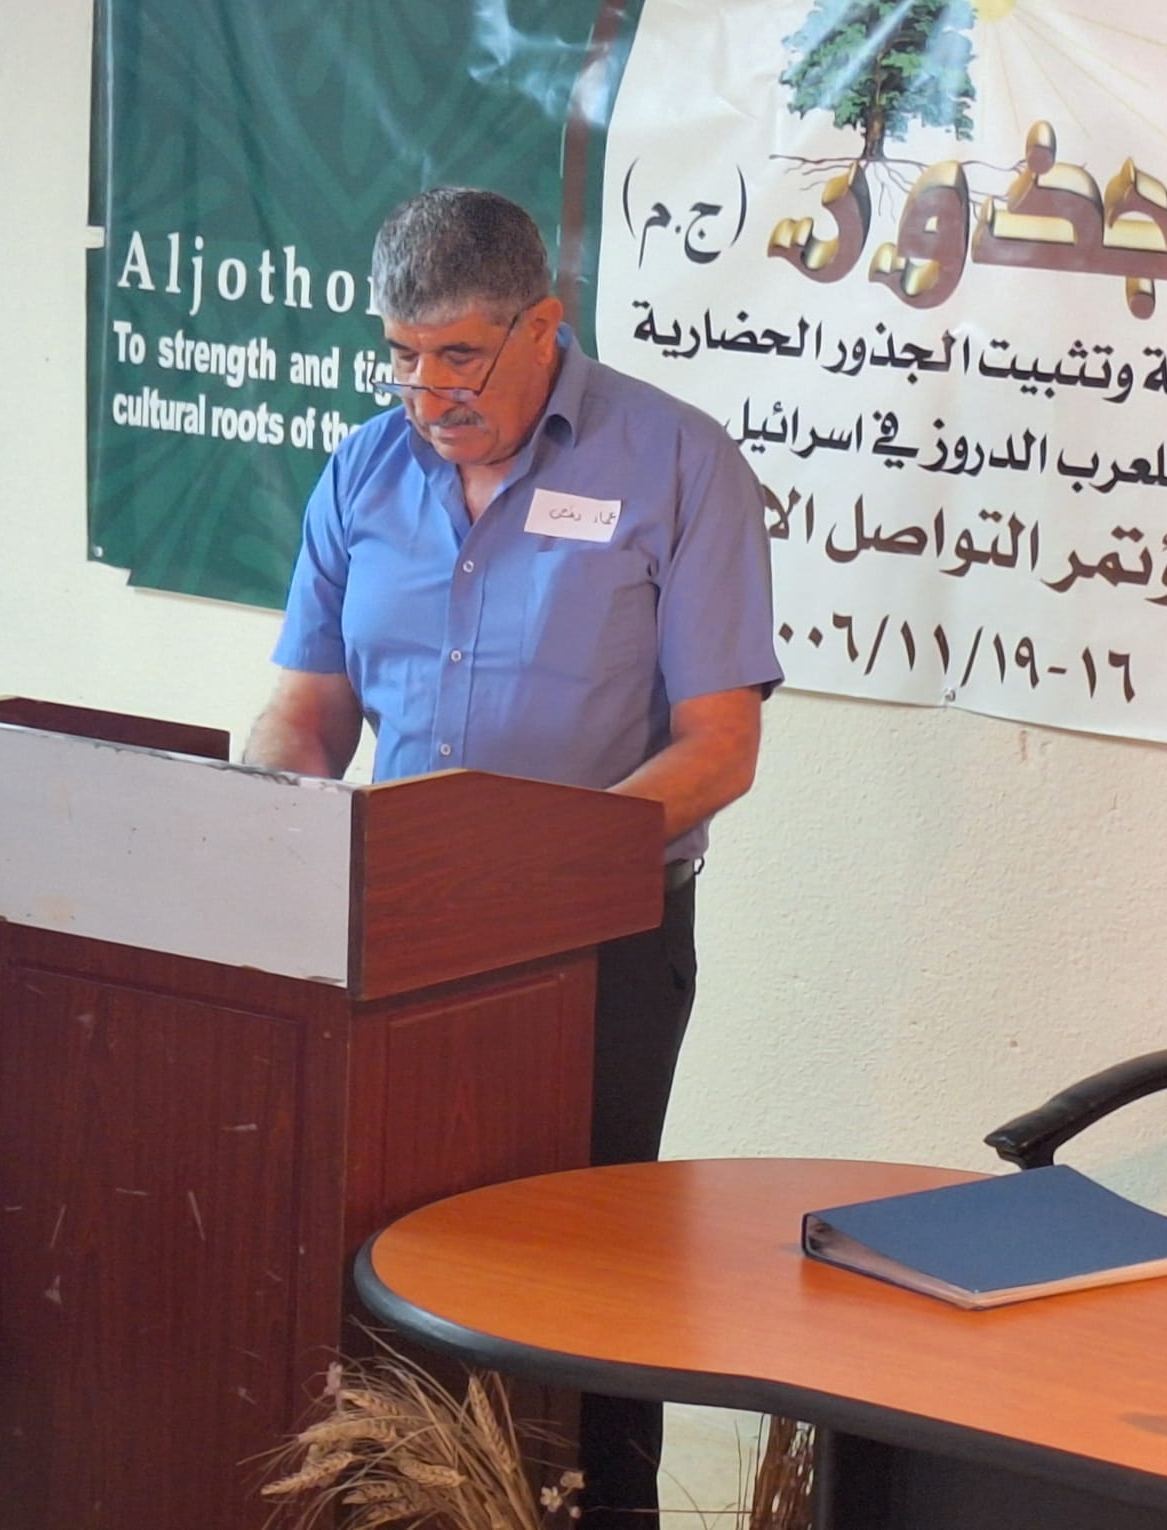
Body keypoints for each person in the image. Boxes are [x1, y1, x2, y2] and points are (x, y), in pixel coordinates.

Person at [244, 186, 781, 1527]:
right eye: (401, 356)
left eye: (460, 356)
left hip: (597, 949)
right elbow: (306, 715)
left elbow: (720, 746)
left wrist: (538, 874)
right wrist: (263, 828)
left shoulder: (677, 464)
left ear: (546, 324)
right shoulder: (365, 472)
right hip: (399, 937)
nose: (427, 394)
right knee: (382, 1253)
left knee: (582, 1272)